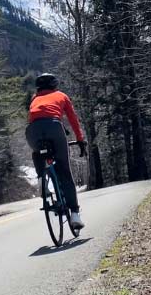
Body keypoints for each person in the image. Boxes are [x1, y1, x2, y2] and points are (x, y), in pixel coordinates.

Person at [26, 72, 88, 229]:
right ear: (55, 85)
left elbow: (34, 117)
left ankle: (41, 179)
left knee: (37, 152)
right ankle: (74, 214)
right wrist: (80, 140)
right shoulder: (61, 95)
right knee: (65, 172)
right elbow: (73, 119)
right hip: (54, 127)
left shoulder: (34, 99)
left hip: (32, 130)